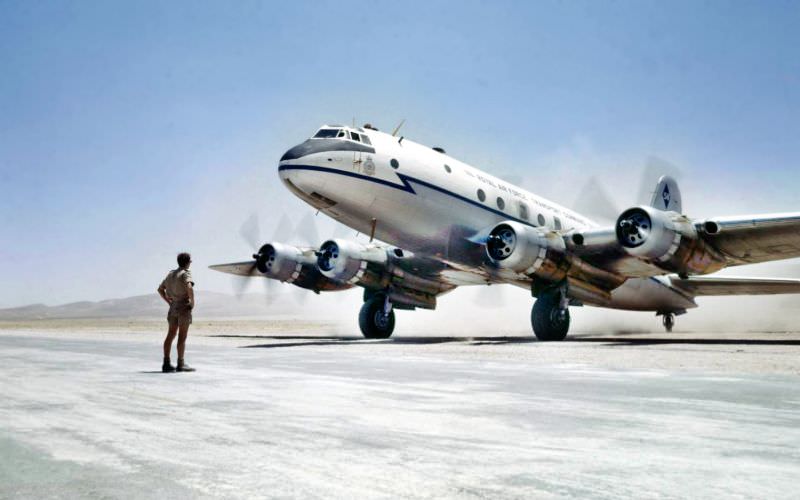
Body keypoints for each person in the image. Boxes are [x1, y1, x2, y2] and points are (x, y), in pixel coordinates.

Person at [157, 252, 196, 372]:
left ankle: (166, 363)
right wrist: (192, 302)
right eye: (190, 261)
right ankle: (181, 363)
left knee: (170, 336)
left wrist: (168, 301)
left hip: (173, 308)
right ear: (187, 262)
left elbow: (160, 289)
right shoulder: (185, 273)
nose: (191, 262)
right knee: (182, 337)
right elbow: (189, 287)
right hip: (183, 307)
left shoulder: (170, 274)